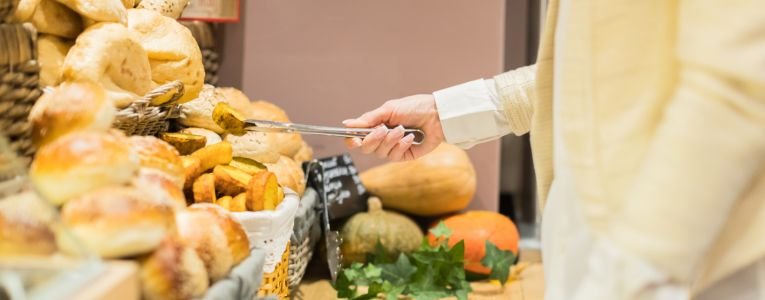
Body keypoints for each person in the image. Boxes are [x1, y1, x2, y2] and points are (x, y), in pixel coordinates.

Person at [343, 0, 765, 299]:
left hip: (673, 269)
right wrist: (445, 112)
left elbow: (741, 89)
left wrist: (631, 274)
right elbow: (596, 68)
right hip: (600, 255)